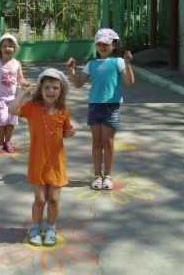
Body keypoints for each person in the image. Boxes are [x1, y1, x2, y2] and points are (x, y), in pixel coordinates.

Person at [8, 68, 76, 247]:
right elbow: (12, 109)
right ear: (40, 89)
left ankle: (51, 229)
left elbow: (64, 132)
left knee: (53, 200)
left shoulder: (64, 111)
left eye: (55, 88)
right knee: (40, 200)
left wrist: (69, 133)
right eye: (46, 87)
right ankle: (36, 228)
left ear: (61, 91)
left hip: (56, 163)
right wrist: (24, 93)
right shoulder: (33, 107)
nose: (51, 91)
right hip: (38, 161)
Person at [65, 28, 135, 191]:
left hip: (111, 106)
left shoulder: (118, 62)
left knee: (107, 142)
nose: (102, 47)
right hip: (94, 106)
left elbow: (130, 82)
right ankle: (97, 176)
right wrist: (71, 71)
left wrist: (128, 63)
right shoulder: (91, 64)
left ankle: (108, 176)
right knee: (96, 142)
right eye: (99, 44)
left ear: (114, 45)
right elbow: (78, 84)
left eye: (106, 44)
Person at [0, 33, 29, 153]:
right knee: (1, 122)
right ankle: (0, 142)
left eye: (10, 46)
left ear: (14, 48)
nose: (7, 48)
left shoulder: (17, 64)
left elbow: (21, 78)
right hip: (0, 98)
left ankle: (7, 141)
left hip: (14, 98)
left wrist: (25, 84)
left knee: (11, 122)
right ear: (0, 48)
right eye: (5, 46)